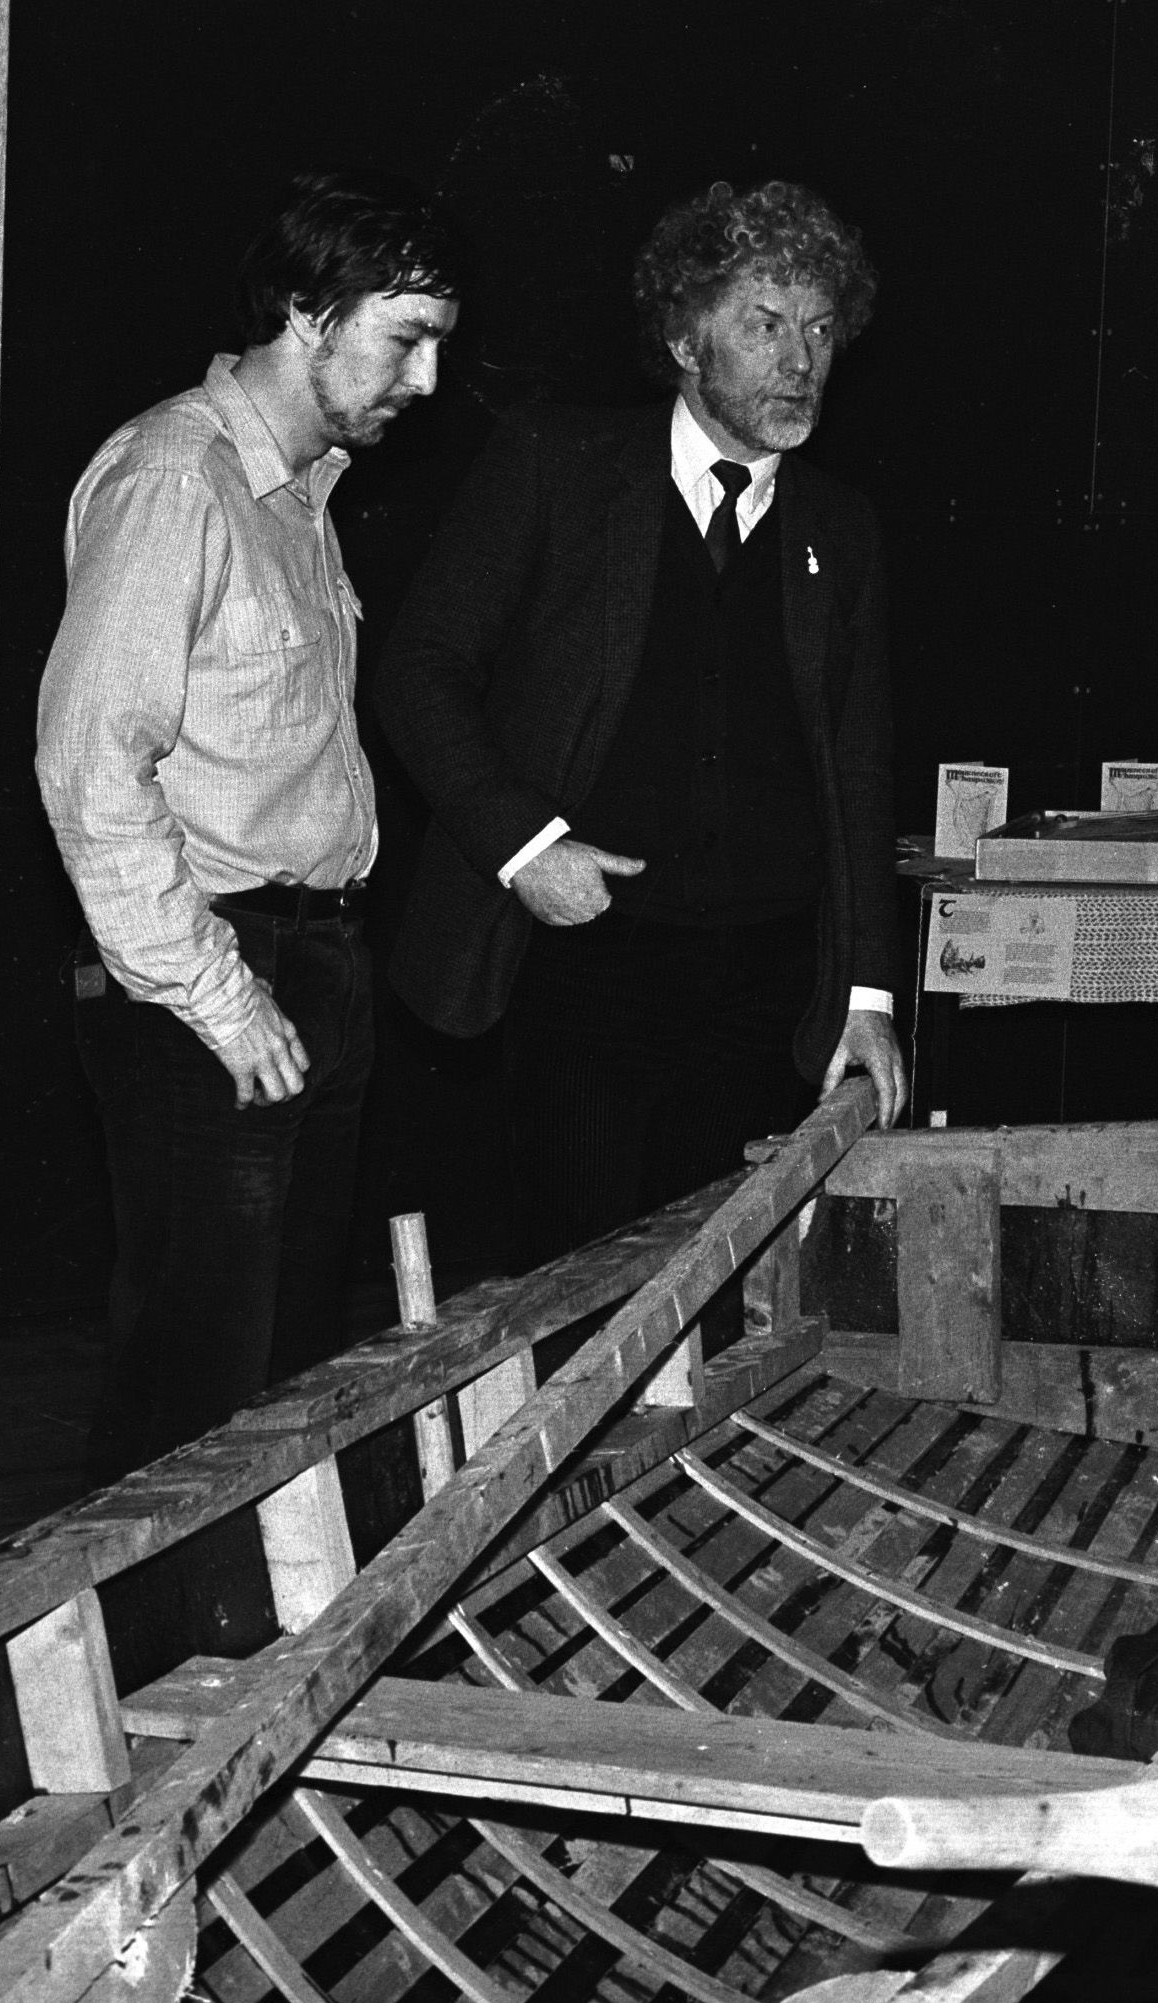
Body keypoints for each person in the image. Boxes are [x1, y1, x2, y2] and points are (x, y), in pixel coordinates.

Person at [379, 180, 902, 1269]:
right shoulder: (556, 470)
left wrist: (863, 994)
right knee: (575, 1284)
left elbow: (859, 777)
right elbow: (417, 674)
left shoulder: (840, 531)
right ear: (682, 335)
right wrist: (528, 850)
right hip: (583, 965)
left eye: (818, 328)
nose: (800, 358)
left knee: (722, 1294)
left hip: (763, 985)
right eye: (764, 324)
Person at [38, 169, 466, 1478]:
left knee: (272, 1368)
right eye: (406, 338)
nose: (430, 380)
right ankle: (145, 1658)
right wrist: (219, 996)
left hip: (311, 958)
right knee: (194, 1382)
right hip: (210, 976)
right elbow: (89, 766)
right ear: (304, 311)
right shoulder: (179, 481)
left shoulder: (302, 490)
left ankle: (250, 1650)